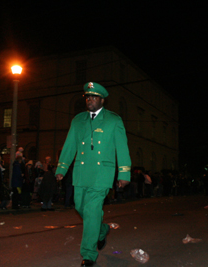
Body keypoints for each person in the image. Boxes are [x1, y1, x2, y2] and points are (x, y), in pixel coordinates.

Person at [55, 82, 131, 267]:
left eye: (94, 97)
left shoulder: (113, 120)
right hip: (81, 173)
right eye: (87, 97)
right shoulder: (78, 120)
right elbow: (69, 145)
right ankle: (102, 230)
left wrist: (124, 173)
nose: (89, 99)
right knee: (80, 207)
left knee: (91, 210)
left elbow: (122, 148)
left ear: (102, 100)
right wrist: (61, 169)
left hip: (101, 174)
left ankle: (88, 254)